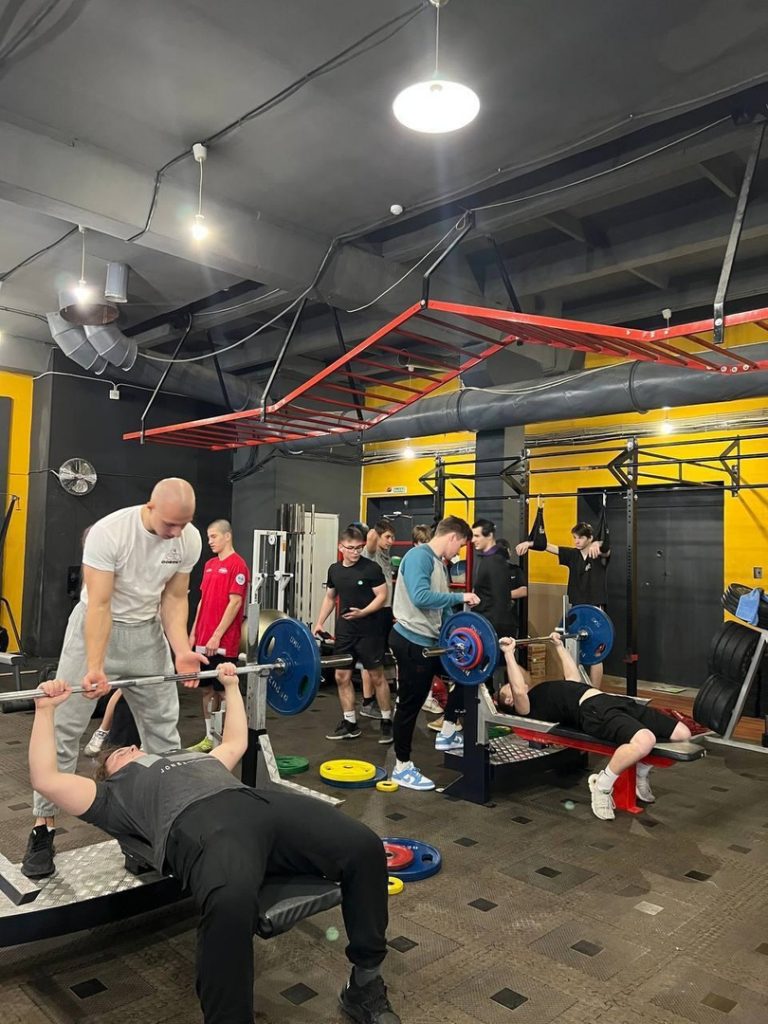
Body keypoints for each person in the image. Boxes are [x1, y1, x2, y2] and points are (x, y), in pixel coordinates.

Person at [29, 670, 401, 1024]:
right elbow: (45, 778)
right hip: (205, 829)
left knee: (364, 846)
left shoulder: (193, 759)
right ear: (110, 771)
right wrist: (45, 711)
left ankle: (364, 984)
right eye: (117, 754)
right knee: (229, 903)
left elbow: (236, 741)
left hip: (259, 804)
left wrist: (231, 685)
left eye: (129, 746)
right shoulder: (111, 794)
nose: (128, 748)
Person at [22, 478, 204, 879]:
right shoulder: (110, 532)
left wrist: (181, 649)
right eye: (170, 524)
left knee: (163, 732)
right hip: (95, 629)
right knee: (63, 729)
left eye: (184, 524)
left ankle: (166, 825)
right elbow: (100, 605)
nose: (177, 533)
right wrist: (95, 665)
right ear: (150, 506)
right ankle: (43, 826)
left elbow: (175, 598)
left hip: (147, 635)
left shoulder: (188, 538)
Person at [497, 631, 691, 820]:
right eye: (508, 690)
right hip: (592, 712)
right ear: (510, 701)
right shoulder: (526, 707)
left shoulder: (542, 689)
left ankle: (641, 770)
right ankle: (602, 785)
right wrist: (508, 653)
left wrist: (559, 646)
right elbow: (519, 690)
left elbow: (573, 678)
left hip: (610, 701)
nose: (515, 686)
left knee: (682, 733)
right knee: (645, 740)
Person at [389, 515, 479, 791]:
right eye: (460, 545)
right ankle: (401, 767)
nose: (459, 550)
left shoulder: (439, 563)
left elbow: (443, 608)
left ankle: (448, 730)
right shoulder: (419, 557)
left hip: (431, 642)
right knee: (410, 704)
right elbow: (420, 597)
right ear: (452, 537)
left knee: (468, 674)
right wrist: (461, 596)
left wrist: (457, 632)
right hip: (411, 642)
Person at [313, 526, 393, 743]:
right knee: (341, 676)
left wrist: (364, 612)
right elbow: (330, 597)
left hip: (370, 630)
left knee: (377, 676)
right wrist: (319, 622)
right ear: (341, 547)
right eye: (351, 548)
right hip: (346, 631)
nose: (355, 552)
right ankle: (350, 723)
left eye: (359, 548)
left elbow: (382, 596)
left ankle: (387, 721)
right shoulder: (335, 570)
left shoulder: (371, 569)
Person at [516, 521, 609, 688]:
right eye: (574, 538)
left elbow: (607, 549)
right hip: (576, 608)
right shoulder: (572, 555)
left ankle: (595, 691)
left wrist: (599, 543)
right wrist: (529, 544)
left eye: (580, 538)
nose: (576, 541)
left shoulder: (598, 553)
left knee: (596, 653)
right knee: (571, 649)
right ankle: (574, 688)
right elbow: (548, 547)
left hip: (594, 608)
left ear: (590, 538)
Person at [187, 519, 249, 753]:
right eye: (208, 537)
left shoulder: (238, 565)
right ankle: (209, 738)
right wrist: (194, 632)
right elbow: (203, 601)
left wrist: (216, 636)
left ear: (227, 536)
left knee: (224, 690)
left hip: (223, 642)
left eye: (213, 536)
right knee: (206, 690)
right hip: (203, 639)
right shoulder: (210, 564)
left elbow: (235, 603)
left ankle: (230, 738)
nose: (210, 541)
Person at [471, 519, 527, 672]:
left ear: (489, 536)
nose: (473, 540)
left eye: (477, 536)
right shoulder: (488, 559)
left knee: (491, 670)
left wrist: (493, 633)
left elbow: (500, 599)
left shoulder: (495, 562)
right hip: (487, 622)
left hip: (493, 626)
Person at [361, 520, 397, 720]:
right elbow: (371, 539)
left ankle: (373, 700)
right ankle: (367, 702)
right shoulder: (371, 554)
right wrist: (378, 527)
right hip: (374, 612)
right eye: (387, 537)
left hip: (385, 612)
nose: (391, 541)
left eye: (393, 537)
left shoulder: (385, 555)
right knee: (370, 660)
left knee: (378, 659)